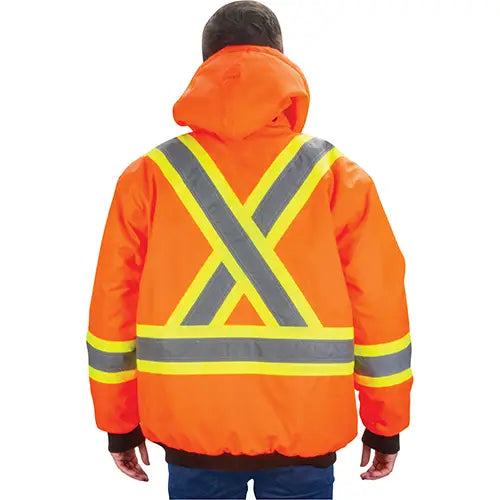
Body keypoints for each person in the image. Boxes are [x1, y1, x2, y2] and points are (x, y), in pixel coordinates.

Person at [86, 1, 413, 498]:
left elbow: (113, 302)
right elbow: (379, 302)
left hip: (192, 426)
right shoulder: (338, 177)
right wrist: (385, 422)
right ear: (280, 62)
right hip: (306, 425)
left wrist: (118, 421)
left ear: (205, 67)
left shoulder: (149, 177)